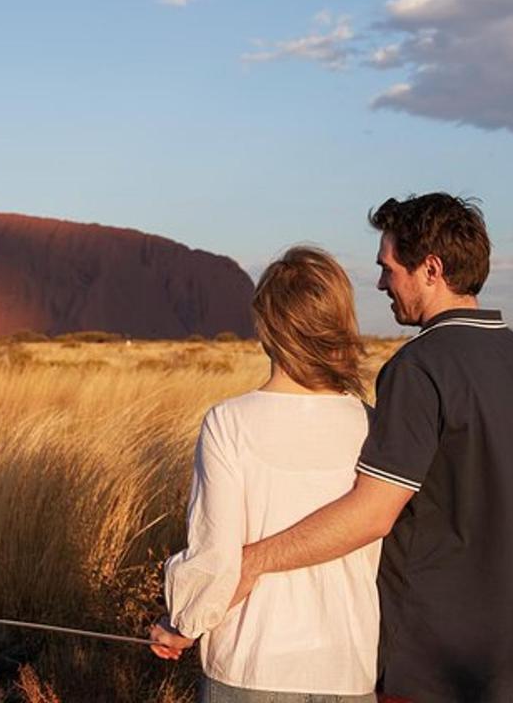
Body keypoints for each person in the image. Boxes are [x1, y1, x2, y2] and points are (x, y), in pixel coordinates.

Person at [215, 194, 513, 702]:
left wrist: (250, 561)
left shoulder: (419, 368)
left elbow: (373, 514)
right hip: (503, 653)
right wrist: (500, 600)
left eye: (388, 268)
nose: (383, 284)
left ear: (431, 269)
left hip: (420, 655)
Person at [150, 246, 381, 703]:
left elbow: (216, 557)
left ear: (267, 325)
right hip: (347, 668)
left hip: (250, 665)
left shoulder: (228, 422)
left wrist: (181, 625)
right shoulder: (373, 425)